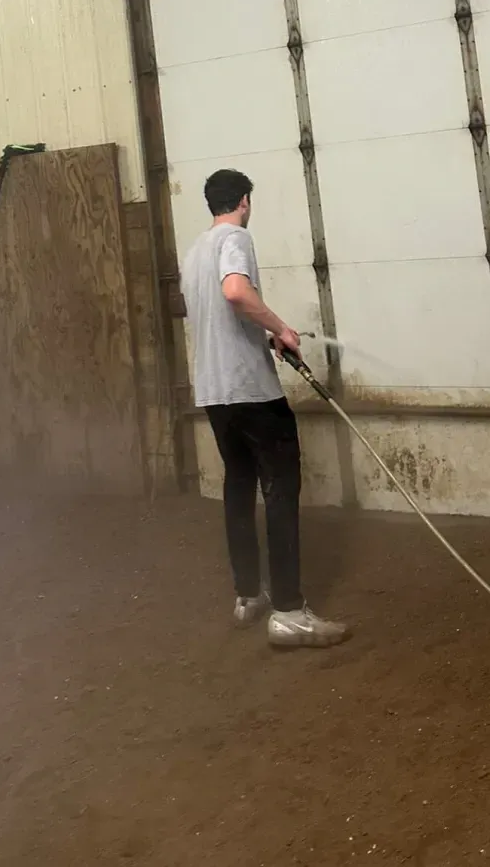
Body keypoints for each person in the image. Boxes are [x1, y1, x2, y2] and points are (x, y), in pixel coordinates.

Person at [180, 168, 347, 649]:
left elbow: (220, 313)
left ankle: (248, 594)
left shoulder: (193, 253)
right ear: (245, 201)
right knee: (279, 487)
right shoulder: (235, 238)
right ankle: (291, 611)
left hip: (213, 393)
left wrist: (264, 332)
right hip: (250, 390)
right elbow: (235, 292)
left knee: (238, 484)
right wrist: (283, 327)